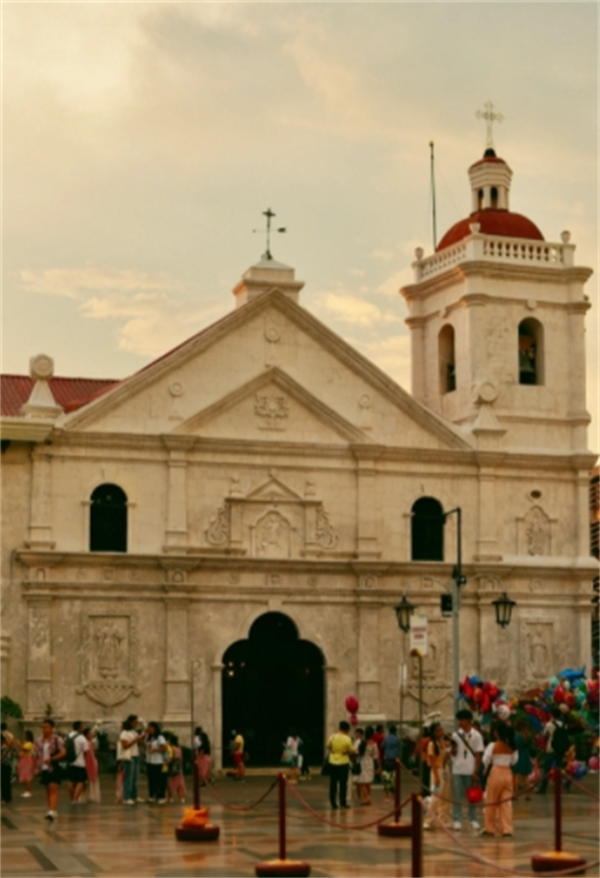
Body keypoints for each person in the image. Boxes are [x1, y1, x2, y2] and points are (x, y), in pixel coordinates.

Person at [481, 722, 518, 837]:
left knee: (491, 800)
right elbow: (514, 761)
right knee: (506, 802)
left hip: (496, 772)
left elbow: (485, 759)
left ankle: (489, 828)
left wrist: (486, 768)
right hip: (507, 772)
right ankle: (507, 829)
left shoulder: (493, 745)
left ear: (497, 733)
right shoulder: (512, 746)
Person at [451, 709, 484, 831]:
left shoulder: (477, 736)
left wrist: (476, 770)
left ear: (468, 720)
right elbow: (454, 752)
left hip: (470, 770)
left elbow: (478, 754)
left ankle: (473, 818)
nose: (460, 722)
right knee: (457, 796)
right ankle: (457, 819)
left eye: (462, 720)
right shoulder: (455, 735)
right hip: (457, 769)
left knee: (472, 796)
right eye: (459, 720)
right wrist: (451, 748)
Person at [35, 719, 66, 821]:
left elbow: (63, 752)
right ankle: (51, 809)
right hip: (43, 767)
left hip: (54, 765)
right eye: (43, 727)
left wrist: (52, 758)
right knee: (48, 788)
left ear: (52, 728)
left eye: (46, 727)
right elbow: (35, 754)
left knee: (53, 787)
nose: (44, 729)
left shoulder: (58, 739)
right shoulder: (39, 740)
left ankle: (52, 811)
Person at [424, 723, 451, 829]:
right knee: (435, 797)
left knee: (446, 796)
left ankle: (443, 818)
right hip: (438, 770)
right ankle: (429, 819)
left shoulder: (442, 743)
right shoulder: (432, 744)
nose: (441, 732)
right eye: (438, 731)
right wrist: (436, 777)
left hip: (445, 769)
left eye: (441, 730)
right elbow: (432, 762)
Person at [537, 709, 570, 794]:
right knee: (559, 768)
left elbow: (544, 736)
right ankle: (559, 787)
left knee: (546, 769)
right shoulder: (564, 725)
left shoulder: (549, 724)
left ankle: (543, 788)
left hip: (551, 748)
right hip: (560, 749)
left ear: (552, 715)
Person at [118, 714, 146, 805]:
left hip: (136, 755)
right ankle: (127, 797)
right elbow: (124, 745)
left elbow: (138, 743)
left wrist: (141, 738)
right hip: (129, 757)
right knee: (129, 778)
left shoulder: (133, 732)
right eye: (135, 722)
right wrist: (135, 740)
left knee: (135, 778)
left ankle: (134, 796)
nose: (136, 724)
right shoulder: (124, 733)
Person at [326, 720, 354, 809]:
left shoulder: (332, 737)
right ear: (347, 730)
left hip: (333, 761)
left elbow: (328, 746)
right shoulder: (347, 738)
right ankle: (343, 802)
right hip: (344, 762)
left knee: (333, 783)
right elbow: (351, 751)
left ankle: (333, 803)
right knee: (343, 784)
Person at [353, 725, 379, 806]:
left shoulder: (361, 742)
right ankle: (367, 798)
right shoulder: (374, 744)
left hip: (362, 762)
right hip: (370, 762)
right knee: (368, 782)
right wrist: (378, 766)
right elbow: (375, 756)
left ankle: (367, 797)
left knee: (361, 782)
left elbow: (356, 752)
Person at [66, 720, 89, 804]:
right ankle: (75, 799)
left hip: (70, 762)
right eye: (82, 726)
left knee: (70, 780)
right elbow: (86, 751)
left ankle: (72, 798)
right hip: (80, 762)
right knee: (81, 781)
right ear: (79, 727)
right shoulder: (82, 738)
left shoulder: (68, 736)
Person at [145, 721, 168, 804]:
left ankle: (161, 796)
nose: (149, 730)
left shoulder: (160, 737)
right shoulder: (149, 738)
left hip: (158, 761)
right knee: (151, 780)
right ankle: (152, 795)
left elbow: (164, 748)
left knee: (159, 780)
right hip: (150, 761)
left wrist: (155, 750)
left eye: (150, 728)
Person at [512, 719, 533, 800]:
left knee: (516, 775)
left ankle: (515, 794)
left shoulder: (516, 736)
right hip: (526, 755)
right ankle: (528, 795)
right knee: (526, 776)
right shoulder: (527, 735)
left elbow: (515, 745)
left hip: (518, 755)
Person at [165, 733, 186, 803]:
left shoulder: (171, 749)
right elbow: (182, 759)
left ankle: (170, 798)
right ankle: (182, 798)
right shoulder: (179, 749)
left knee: (170, 783)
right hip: (179, 769)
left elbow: (171, 758)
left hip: (172, 769)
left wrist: (166, 763)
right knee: (179, 784)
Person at [82, 728, 101, 803]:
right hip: (89, 763)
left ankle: (91, 796)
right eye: (90, 733)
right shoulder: (87, 743)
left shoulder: (90, 742)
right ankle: (89, 796)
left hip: (92, 762)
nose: (92, 735)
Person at [17, 730, 36, 797]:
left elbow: (24, 749)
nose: (24, 736)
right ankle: (26, 790)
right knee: (24, 776)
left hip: (27, 760)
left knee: (27, 776)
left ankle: (29, 791)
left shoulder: (29, 743)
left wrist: (18, 743)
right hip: (23, 759)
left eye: (25, 735)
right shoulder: (25, 743)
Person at [0, 732, 16, 804]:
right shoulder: (8, 747)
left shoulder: (4, 748)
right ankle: (7, 797)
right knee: (6, 783)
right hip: (7, 765)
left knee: (4, 783)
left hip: (4, 765)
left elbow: (1, 757)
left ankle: (5, 798)